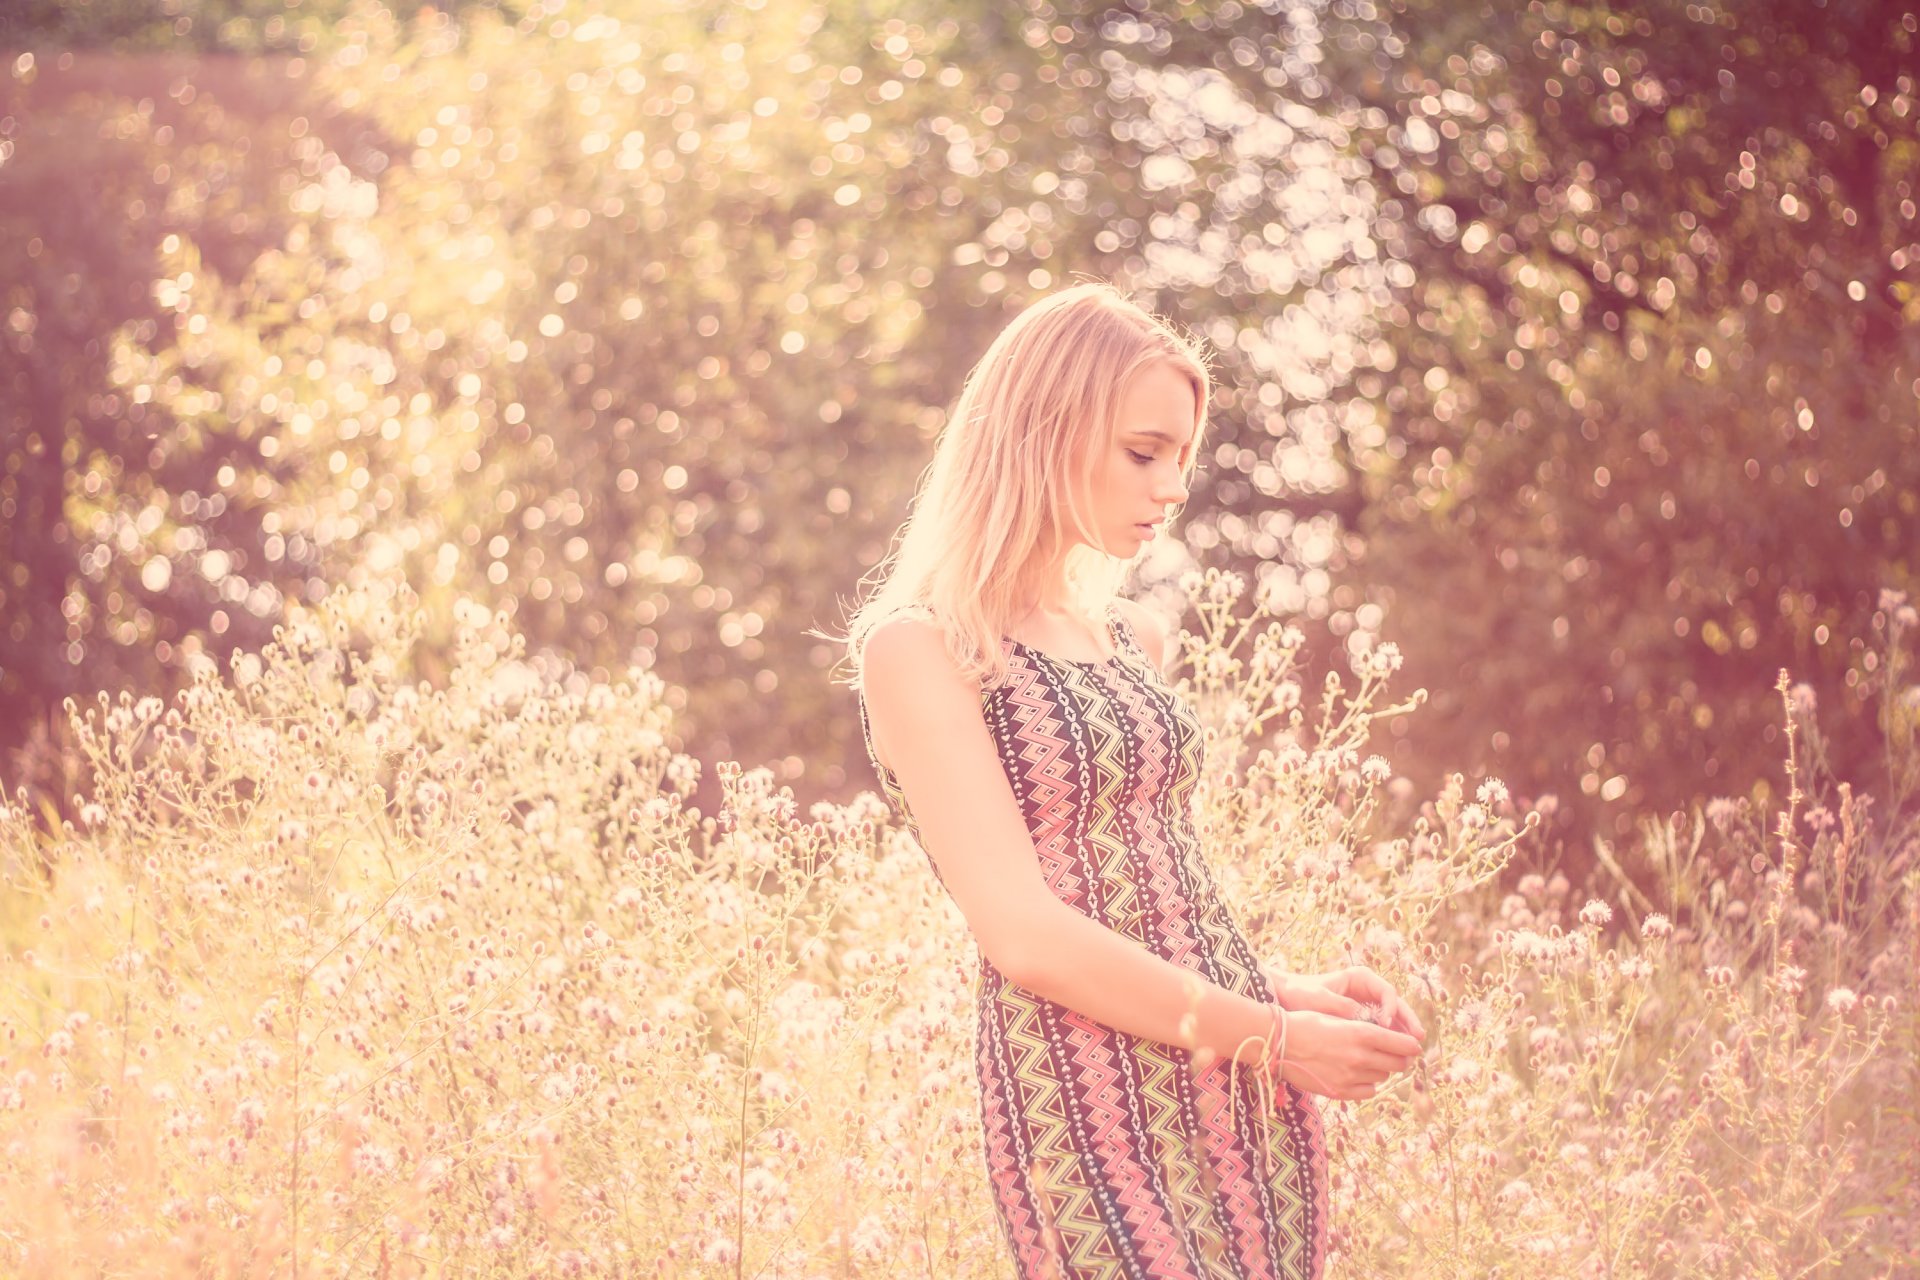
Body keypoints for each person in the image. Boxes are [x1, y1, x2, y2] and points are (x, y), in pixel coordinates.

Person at [841, 282, 1425, 1279]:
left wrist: (1290, 993)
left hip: (1230, 1090)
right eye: (1143, 452)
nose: (1169, 488)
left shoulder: (1132, 637)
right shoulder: (922, 648)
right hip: (1080, 1098)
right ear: (1043, 431)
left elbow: (1149, 892)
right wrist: (1277, 1036)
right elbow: (1025, 935)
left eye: (1182, 461)